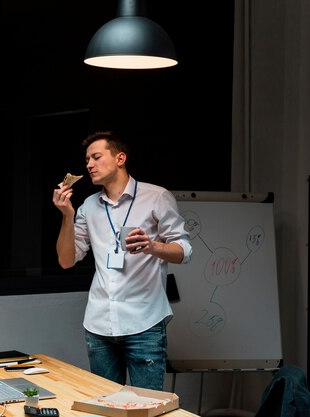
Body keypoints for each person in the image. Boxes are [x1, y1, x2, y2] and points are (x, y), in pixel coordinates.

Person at [52, 130, 192, 390]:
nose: (89, 165)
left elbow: (185, 250)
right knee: (106, 406)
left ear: (120, 158)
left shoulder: (156, 197)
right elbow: (66, 261)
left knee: (145, 407)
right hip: (99, 324)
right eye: (86, 160)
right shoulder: (88, 207)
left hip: (145, 323)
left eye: (96, 157)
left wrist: (152, 246)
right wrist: (66, 216)